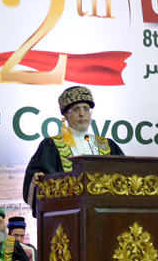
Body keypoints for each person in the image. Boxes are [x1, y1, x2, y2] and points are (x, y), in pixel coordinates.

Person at [23, 86, 125, 217]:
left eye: (86, 108)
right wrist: (39, 180)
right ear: (65, 115)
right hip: (68, 216)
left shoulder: (108, 145)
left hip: (105, 216)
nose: (82, 114)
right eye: (76, 109)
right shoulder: (52, 146)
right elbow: (39, 178)